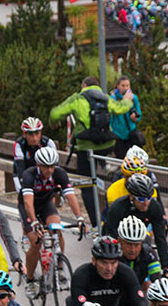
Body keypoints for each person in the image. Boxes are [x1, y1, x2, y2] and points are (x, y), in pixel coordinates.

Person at [50, 77, 134, 227]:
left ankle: (96, 224)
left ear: (84, 85)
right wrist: (128, 100)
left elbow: (56, 113)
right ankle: (107, 168)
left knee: (87, 186)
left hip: (86, 148)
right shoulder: (106, 98)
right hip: (106, 145)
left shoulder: (77, 99)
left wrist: (54, 121)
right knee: (110, 180)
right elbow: (121, 109)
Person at [20, 146, 86, 295]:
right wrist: (34, 223)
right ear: (38, 165)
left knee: (56, 229)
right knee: (36, 241)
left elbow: (71, 196)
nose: (49, 170)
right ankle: (30, 280)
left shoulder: (60, 174)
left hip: (46, 204)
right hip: (28, 206)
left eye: (52, 166)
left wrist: (80, 217)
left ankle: (59, 266)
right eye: (45, 167)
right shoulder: (29, 175)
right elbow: (28, 203)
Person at [68, 236, 145, 306]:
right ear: (94, 261)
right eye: (104, 263)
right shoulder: (81, 275)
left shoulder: (126, 273)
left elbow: (141, 305)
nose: (109, 268)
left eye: (113, 263)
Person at [103, 173, 168, 273]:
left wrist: (166, 267)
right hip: (119, 240)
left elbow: (160, 238)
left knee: (146, 261)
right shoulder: (117, 208)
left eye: (149, 198)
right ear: (131, 196)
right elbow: (110, 238)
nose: (146, 203)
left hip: (139, 238)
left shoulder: (154, 207)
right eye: (141, 199)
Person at [116, 214, 163, 290]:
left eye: (137, 245)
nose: (132, 249)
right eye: (128, 244)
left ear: (142, 243)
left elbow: (157, 280)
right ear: (119, 241)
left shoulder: (149, 254)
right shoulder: (112, 255)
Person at [12, 116, 58, 191]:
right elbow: (20, 167)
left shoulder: (48, 143)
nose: (34, 138)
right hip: (23, 172)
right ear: (24, 134)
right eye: (30, 134)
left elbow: (55, 165)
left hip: (43, 172)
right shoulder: (19, 144)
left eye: (37, 133)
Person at [109, 75, 142, 159]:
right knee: (121, 158)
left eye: (127, 85)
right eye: (123, 85)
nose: (125, 88)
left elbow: (139, 113)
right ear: (117, 86)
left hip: (130, 132)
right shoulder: (113, 99)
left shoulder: (133, 98)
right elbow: (111, 116)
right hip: (118, 133)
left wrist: (135, 117)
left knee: (132, 158)